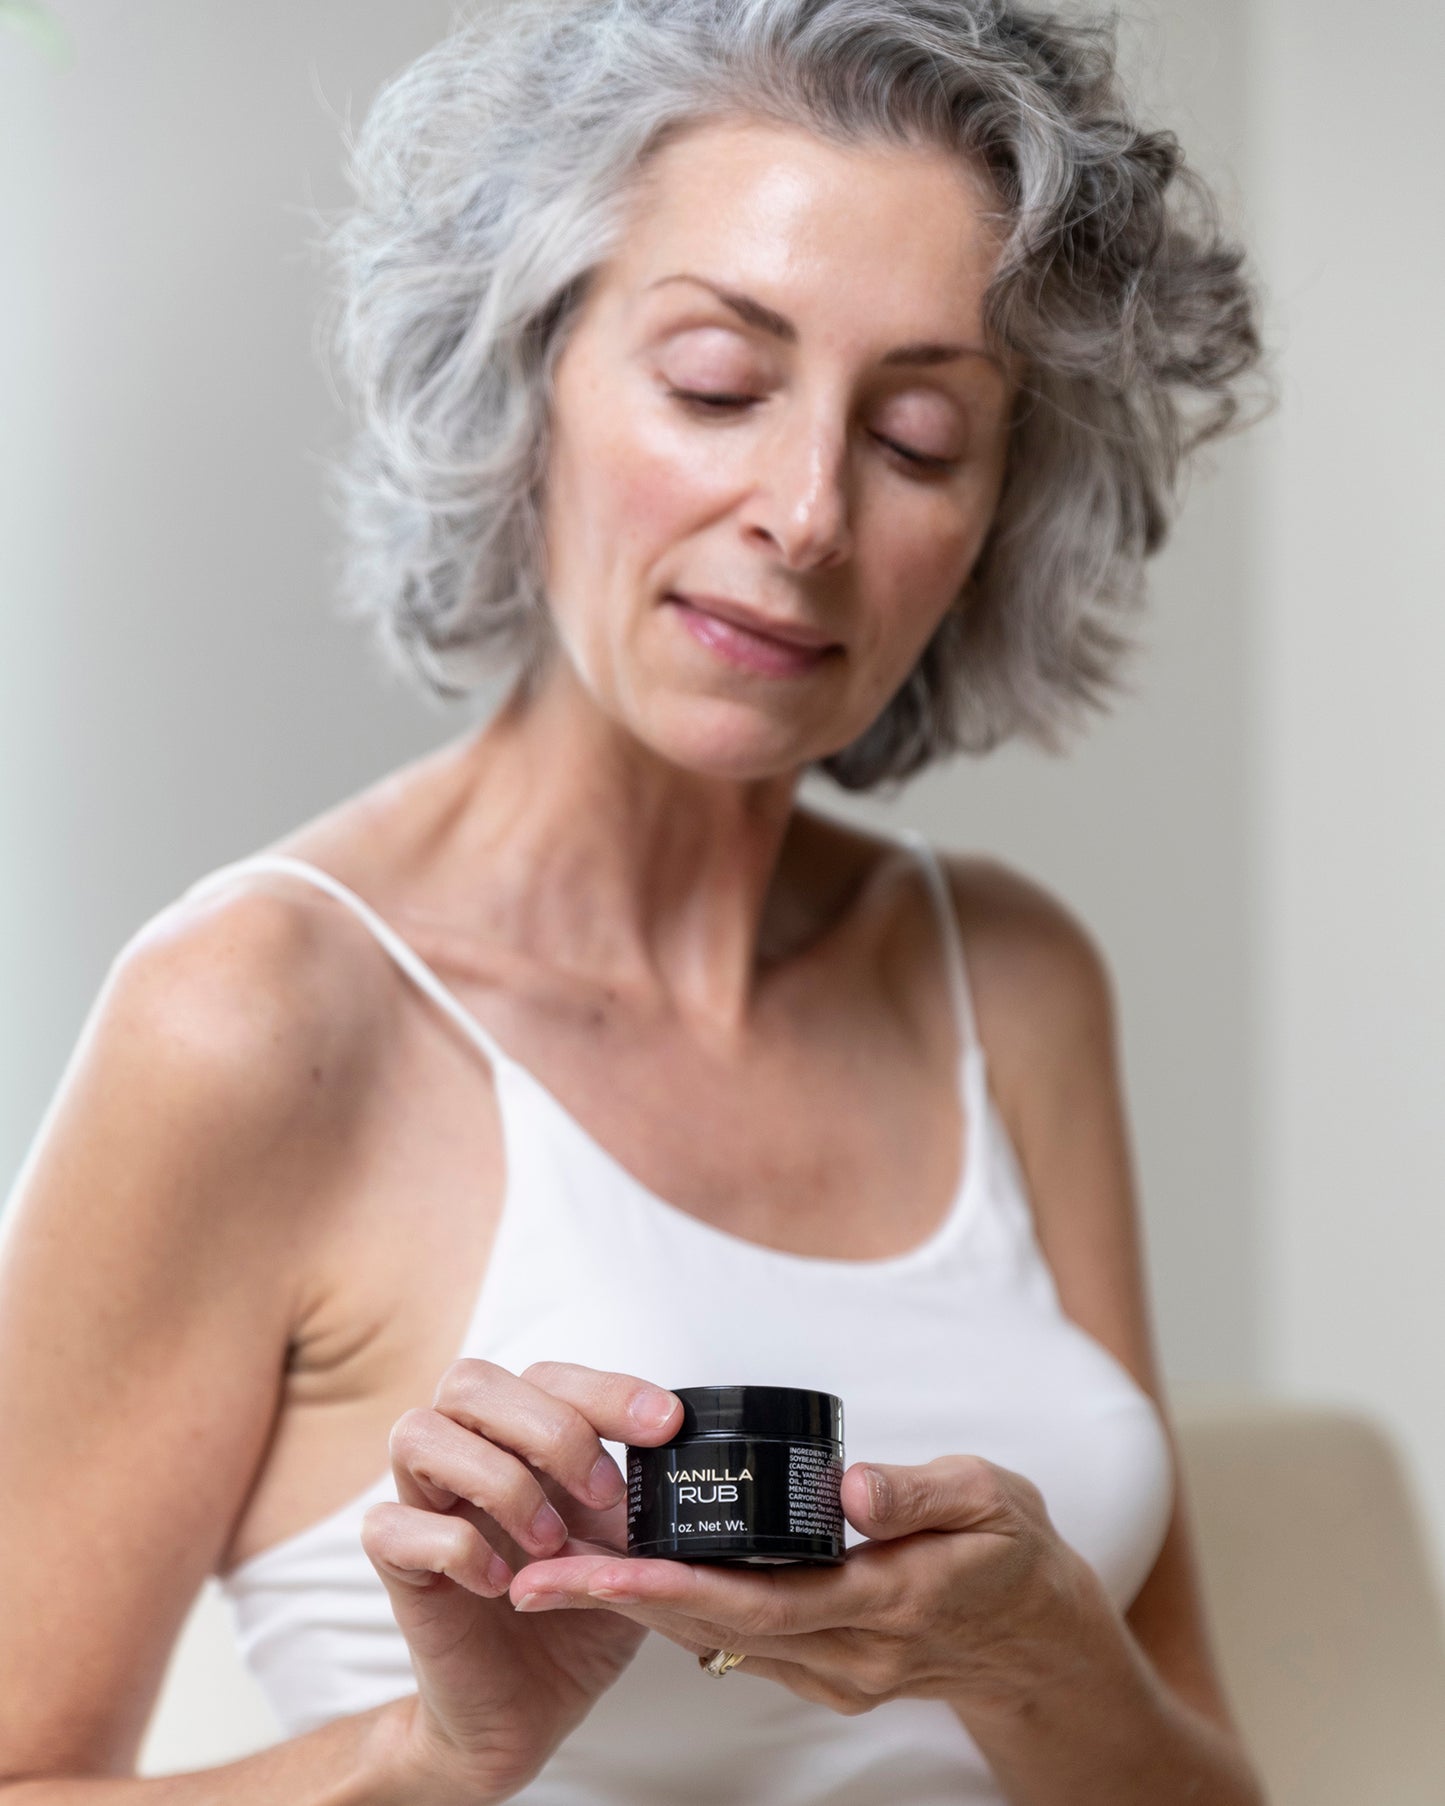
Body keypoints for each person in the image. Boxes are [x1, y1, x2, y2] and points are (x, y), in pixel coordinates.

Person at [0, 2, 1276, 1801]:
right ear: (532, 374)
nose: (808, 510)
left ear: (1000, 515)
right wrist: (434, 1752)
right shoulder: (256, 1012)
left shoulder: (1010, 980)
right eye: (712, 383)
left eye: (915, 437)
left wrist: (1037, 1649)